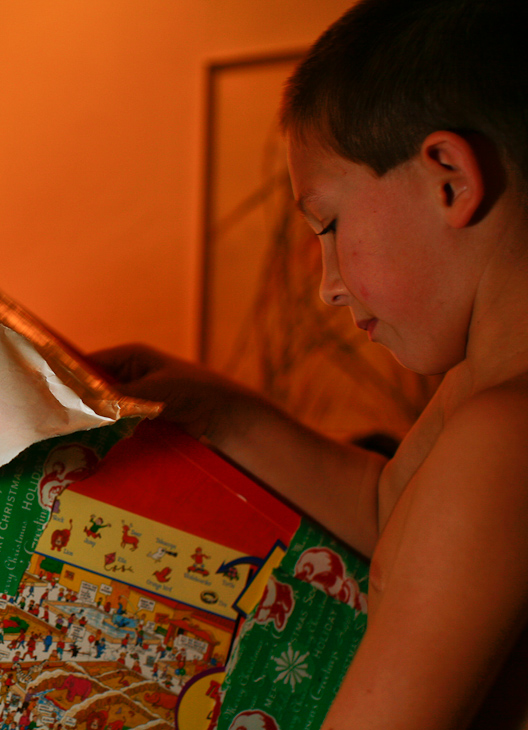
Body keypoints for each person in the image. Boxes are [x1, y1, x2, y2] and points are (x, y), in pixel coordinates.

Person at [92, 0, 528, 727]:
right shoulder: (471, 394)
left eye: (329, 224)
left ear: (450, 177)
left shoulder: (502, 436)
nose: (326, 284)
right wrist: (215, 412)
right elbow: (392, 511)